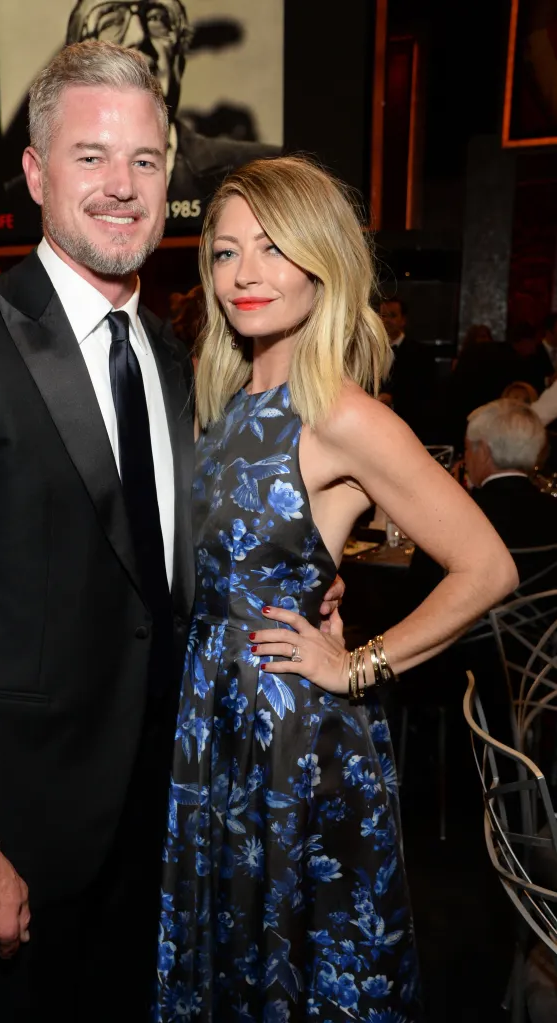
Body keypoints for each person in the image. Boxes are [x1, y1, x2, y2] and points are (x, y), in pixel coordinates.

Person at [0, 42, 343, 1021]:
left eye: (146, 161)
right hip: (21, 845)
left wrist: (298, 581)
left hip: (164, 818)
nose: (122, 187)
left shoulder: (173, 355)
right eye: (91, 157)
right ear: (38, 174)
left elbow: (155, 561)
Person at [154, 156, 517, 1022]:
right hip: (210, 717)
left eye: (273, 248)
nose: (243, 273)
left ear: (322, 262)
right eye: (224, 251)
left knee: (293, 964)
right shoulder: (226, 400)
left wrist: (356, 666)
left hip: (288, 733)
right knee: (231, 959)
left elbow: (487, 566)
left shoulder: (343, 415)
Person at [2, 0, 279, 236]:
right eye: (111, 18)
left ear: (180, 58)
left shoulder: (268, 172)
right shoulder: (11, 199)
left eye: (158, 19)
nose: (138, 36)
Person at [464, 399, 557, 550]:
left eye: (466, 448)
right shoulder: (552, 513)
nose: (465, 458)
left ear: (483, 452)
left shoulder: (461, 516)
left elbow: (425, 573)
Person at [377, 296, 435, 440]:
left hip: (409, 429)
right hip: (374, 427)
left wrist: (394, 399)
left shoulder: (420, 353)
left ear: (403, 320)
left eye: (392, 316)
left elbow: (426, 394)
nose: (386, 320)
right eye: (383, 315)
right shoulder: (368, 351)